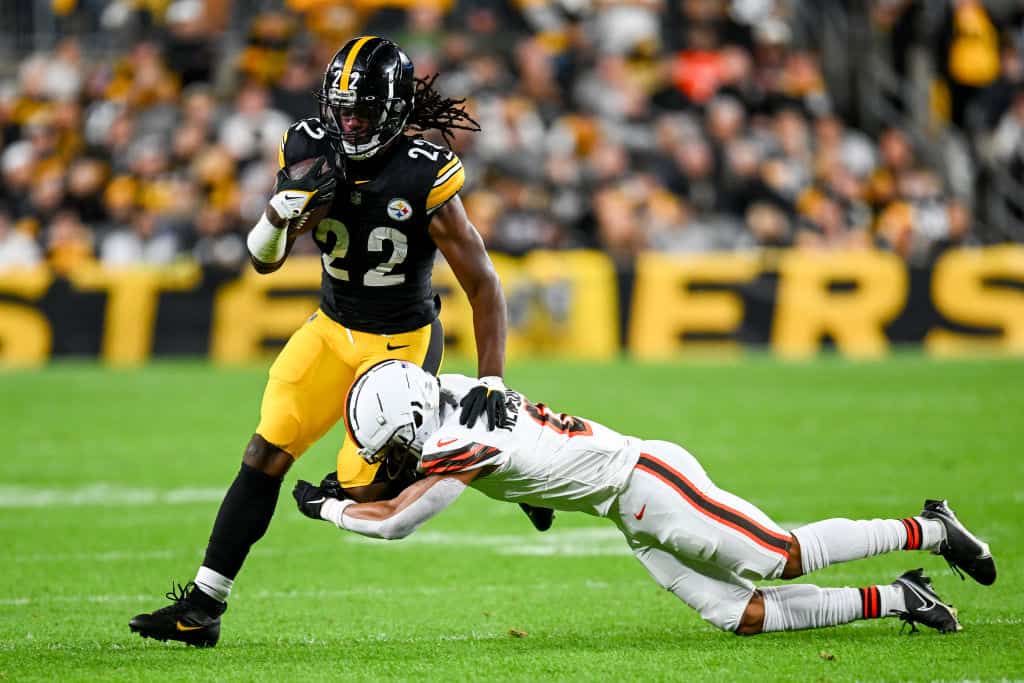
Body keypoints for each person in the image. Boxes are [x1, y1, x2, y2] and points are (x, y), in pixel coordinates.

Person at [129, 36, 551, 648]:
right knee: (264, 452)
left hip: (398, 343)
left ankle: (494, 453)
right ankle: (203, 607)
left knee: (362, 486)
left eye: (363, 111)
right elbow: (263, 263)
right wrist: (277, 216)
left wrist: (491, 380)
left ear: (395, 107)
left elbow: (483, 283)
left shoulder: (423, 172)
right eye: (342, 109)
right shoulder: (307, 146)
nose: (350, 122)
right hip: (330, 329)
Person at [292, 360, 997, 636]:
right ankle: (903, 597)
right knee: (739, 612)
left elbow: (397, 521)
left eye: (392, 445)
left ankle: (930, 528)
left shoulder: (453, 440)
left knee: (780, 554)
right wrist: (531, 498)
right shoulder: (456, 392)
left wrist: (327, 507)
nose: (393, 460)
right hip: (623, 508)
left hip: (648, 482)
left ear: (413, 420)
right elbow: (507, 463)